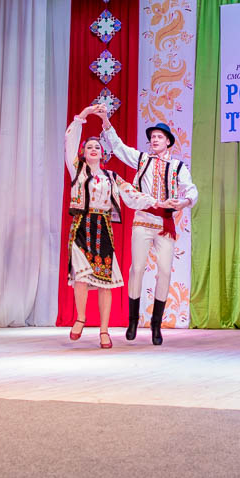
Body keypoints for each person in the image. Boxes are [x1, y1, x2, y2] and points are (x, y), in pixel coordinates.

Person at [98, 109, 197, 345]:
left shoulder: (178, 166)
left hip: (164, 223)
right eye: (152, 136)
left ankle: (156, 324)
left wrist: (184, 202)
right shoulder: (142, 159)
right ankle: (133, 320)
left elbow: (191, 189)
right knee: (137, 268)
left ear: (168, 142)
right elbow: (119, 147)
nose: (155, 139)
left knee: (165, 271)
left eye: (159, 137)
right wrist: (105, 121)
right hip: (143, 220)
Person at [65, 105, 158, 349]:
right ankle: (80, 318)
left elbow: (133, 195)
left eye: (97, 147)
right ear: (83, 153)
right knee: (80, 276)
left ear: (103, 154)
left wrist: (157, 202)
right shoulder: (77, 169)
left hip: (103, 228)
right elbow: (70, 140)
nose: (93, 149)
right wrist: (84, 114)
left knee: (105, 282)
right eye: (89, 147)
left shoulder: (112, 177)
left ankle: (104, 331)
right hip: (81, 226)